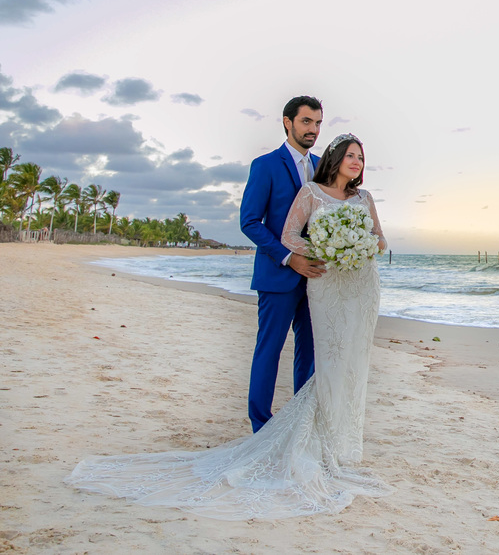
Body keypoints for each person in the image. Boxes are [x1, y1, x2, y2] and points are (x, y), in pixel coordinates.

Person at [66, 133, 392, 519]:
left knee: (332, 361)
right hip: (296, 275)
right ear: (289, 123)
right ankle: (265, 430)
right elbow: (261, 225)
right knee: (272, 351)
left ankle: (329, 439)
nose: (356, 160)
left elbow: (379, 240)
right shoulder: (279, 171)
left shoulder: (359, 195)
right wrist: (315, 251)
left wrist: (354, 249)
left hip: (350, 287)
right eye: (350, 154)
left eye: (361, 156)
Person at [239, 95, 326, 432]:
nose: (313, 130)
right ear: (287, 122)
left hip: (317, 277)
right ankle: (260, 424)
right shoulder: (265, 165)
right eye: (306, 122)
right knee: (269, 349)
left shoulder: (322, 167)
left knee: (310, 352)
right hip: (278, 274)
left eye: (318, 123)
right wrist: (290, 258)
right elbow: (250, 222)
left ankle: (299, 421)